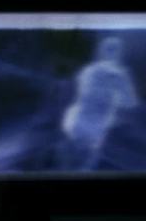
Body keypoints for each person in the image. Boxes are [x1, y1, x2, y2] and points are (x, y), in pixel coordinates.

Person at [59, 37, 138, 170]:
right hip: (95, 129)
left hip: (75, 122)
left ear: (101, 53)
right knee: (86, 163)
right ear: (118, 55)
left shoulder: (88, 70)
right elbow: (130, 103)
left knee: (69, 161)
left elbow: (80, 91)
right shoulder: (119, 75)